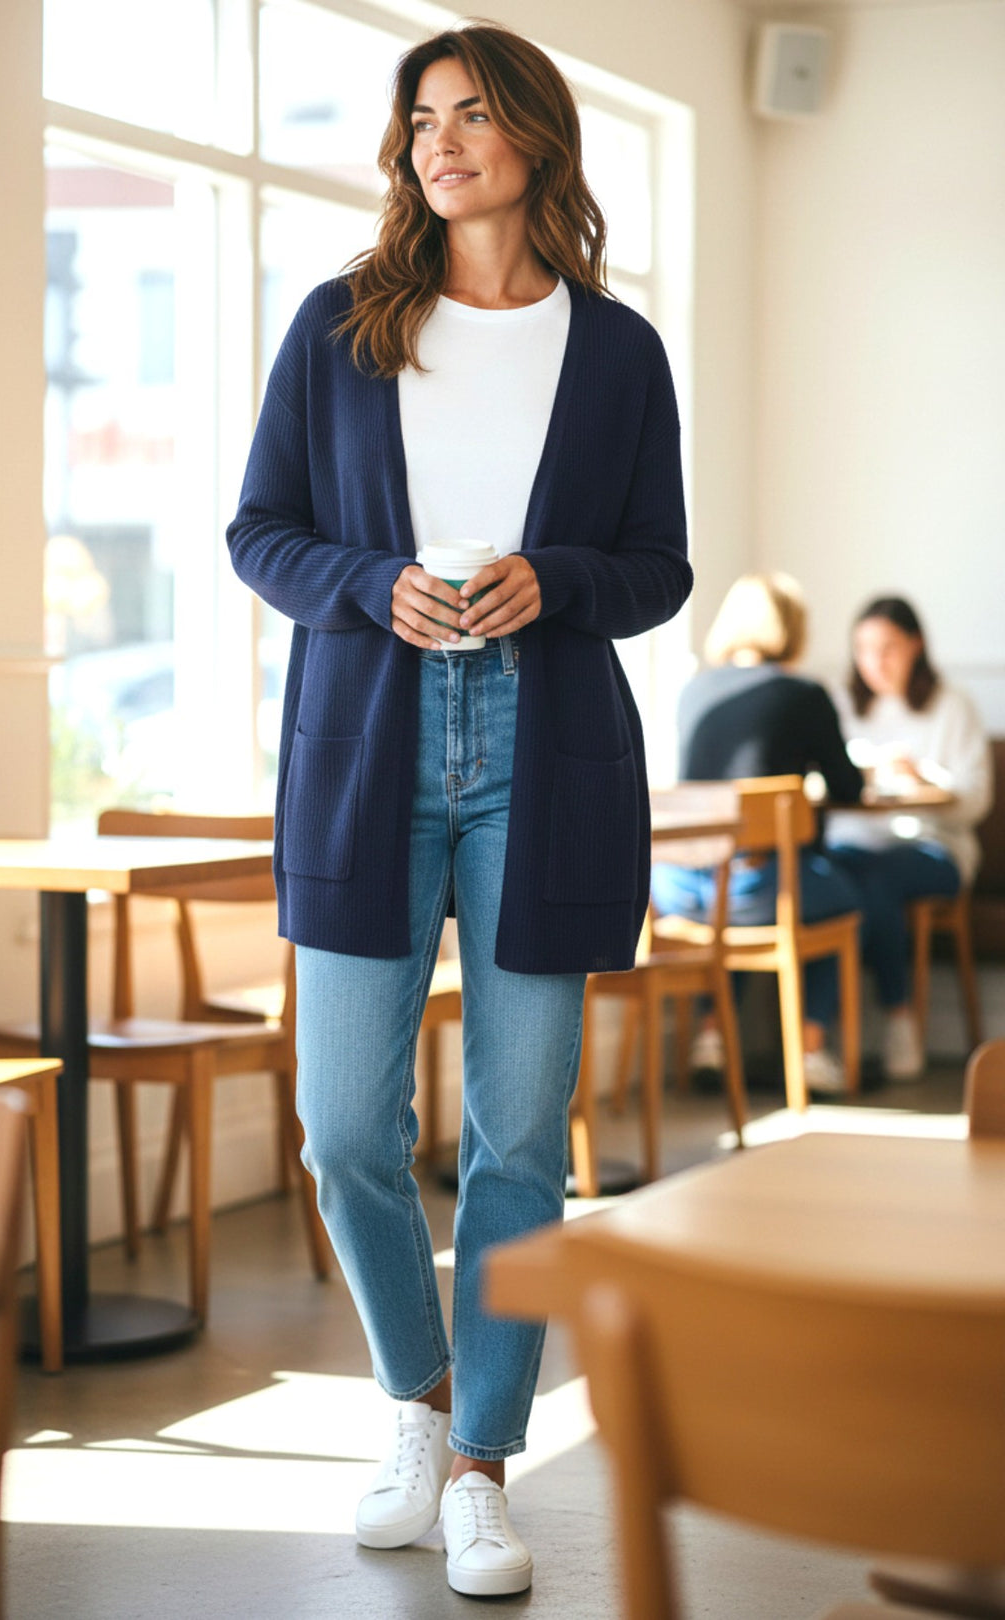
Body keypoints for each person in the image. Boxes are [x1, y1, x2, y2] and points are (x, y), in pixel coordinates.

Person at [226, 21, 691, 1597]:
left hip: (545, 742)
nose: (441, 140)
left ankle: (485, 1457)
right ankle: (413, 1404)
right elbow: (259, 531)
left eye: (473, 114)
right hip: (367, 735)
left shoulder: (615, 351)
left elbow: (661, 566)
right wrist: (373, 584)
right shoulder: (341, 325)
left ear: (537, 140)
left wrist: (553, 579)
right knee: (344, 1127)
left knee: (515, 1136)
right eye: (421, 116)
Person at [650, 572, 865, 1095]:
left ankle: (710, 1036)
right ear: (793, 629)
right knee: (841, 897)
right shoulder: (804, 694)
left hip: (676, 888)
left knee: (738, 883)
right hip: (758, 889)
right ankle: (812, 1050)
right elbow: (849, 787)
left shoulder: (693, 691)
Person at [825, 596, 993, 1080]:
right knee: (826, 879)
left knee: (877, 880)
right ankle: (821, 1035)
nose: (875, 662)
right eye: (864, 649)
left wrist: (923, 779)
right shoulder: (842, 705)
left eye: (888, 648)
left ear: (915, 646)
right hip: (855, 841)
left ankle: (898, 1020)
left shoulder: (951, 706)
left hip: (935, 846)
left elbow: (976, 800)